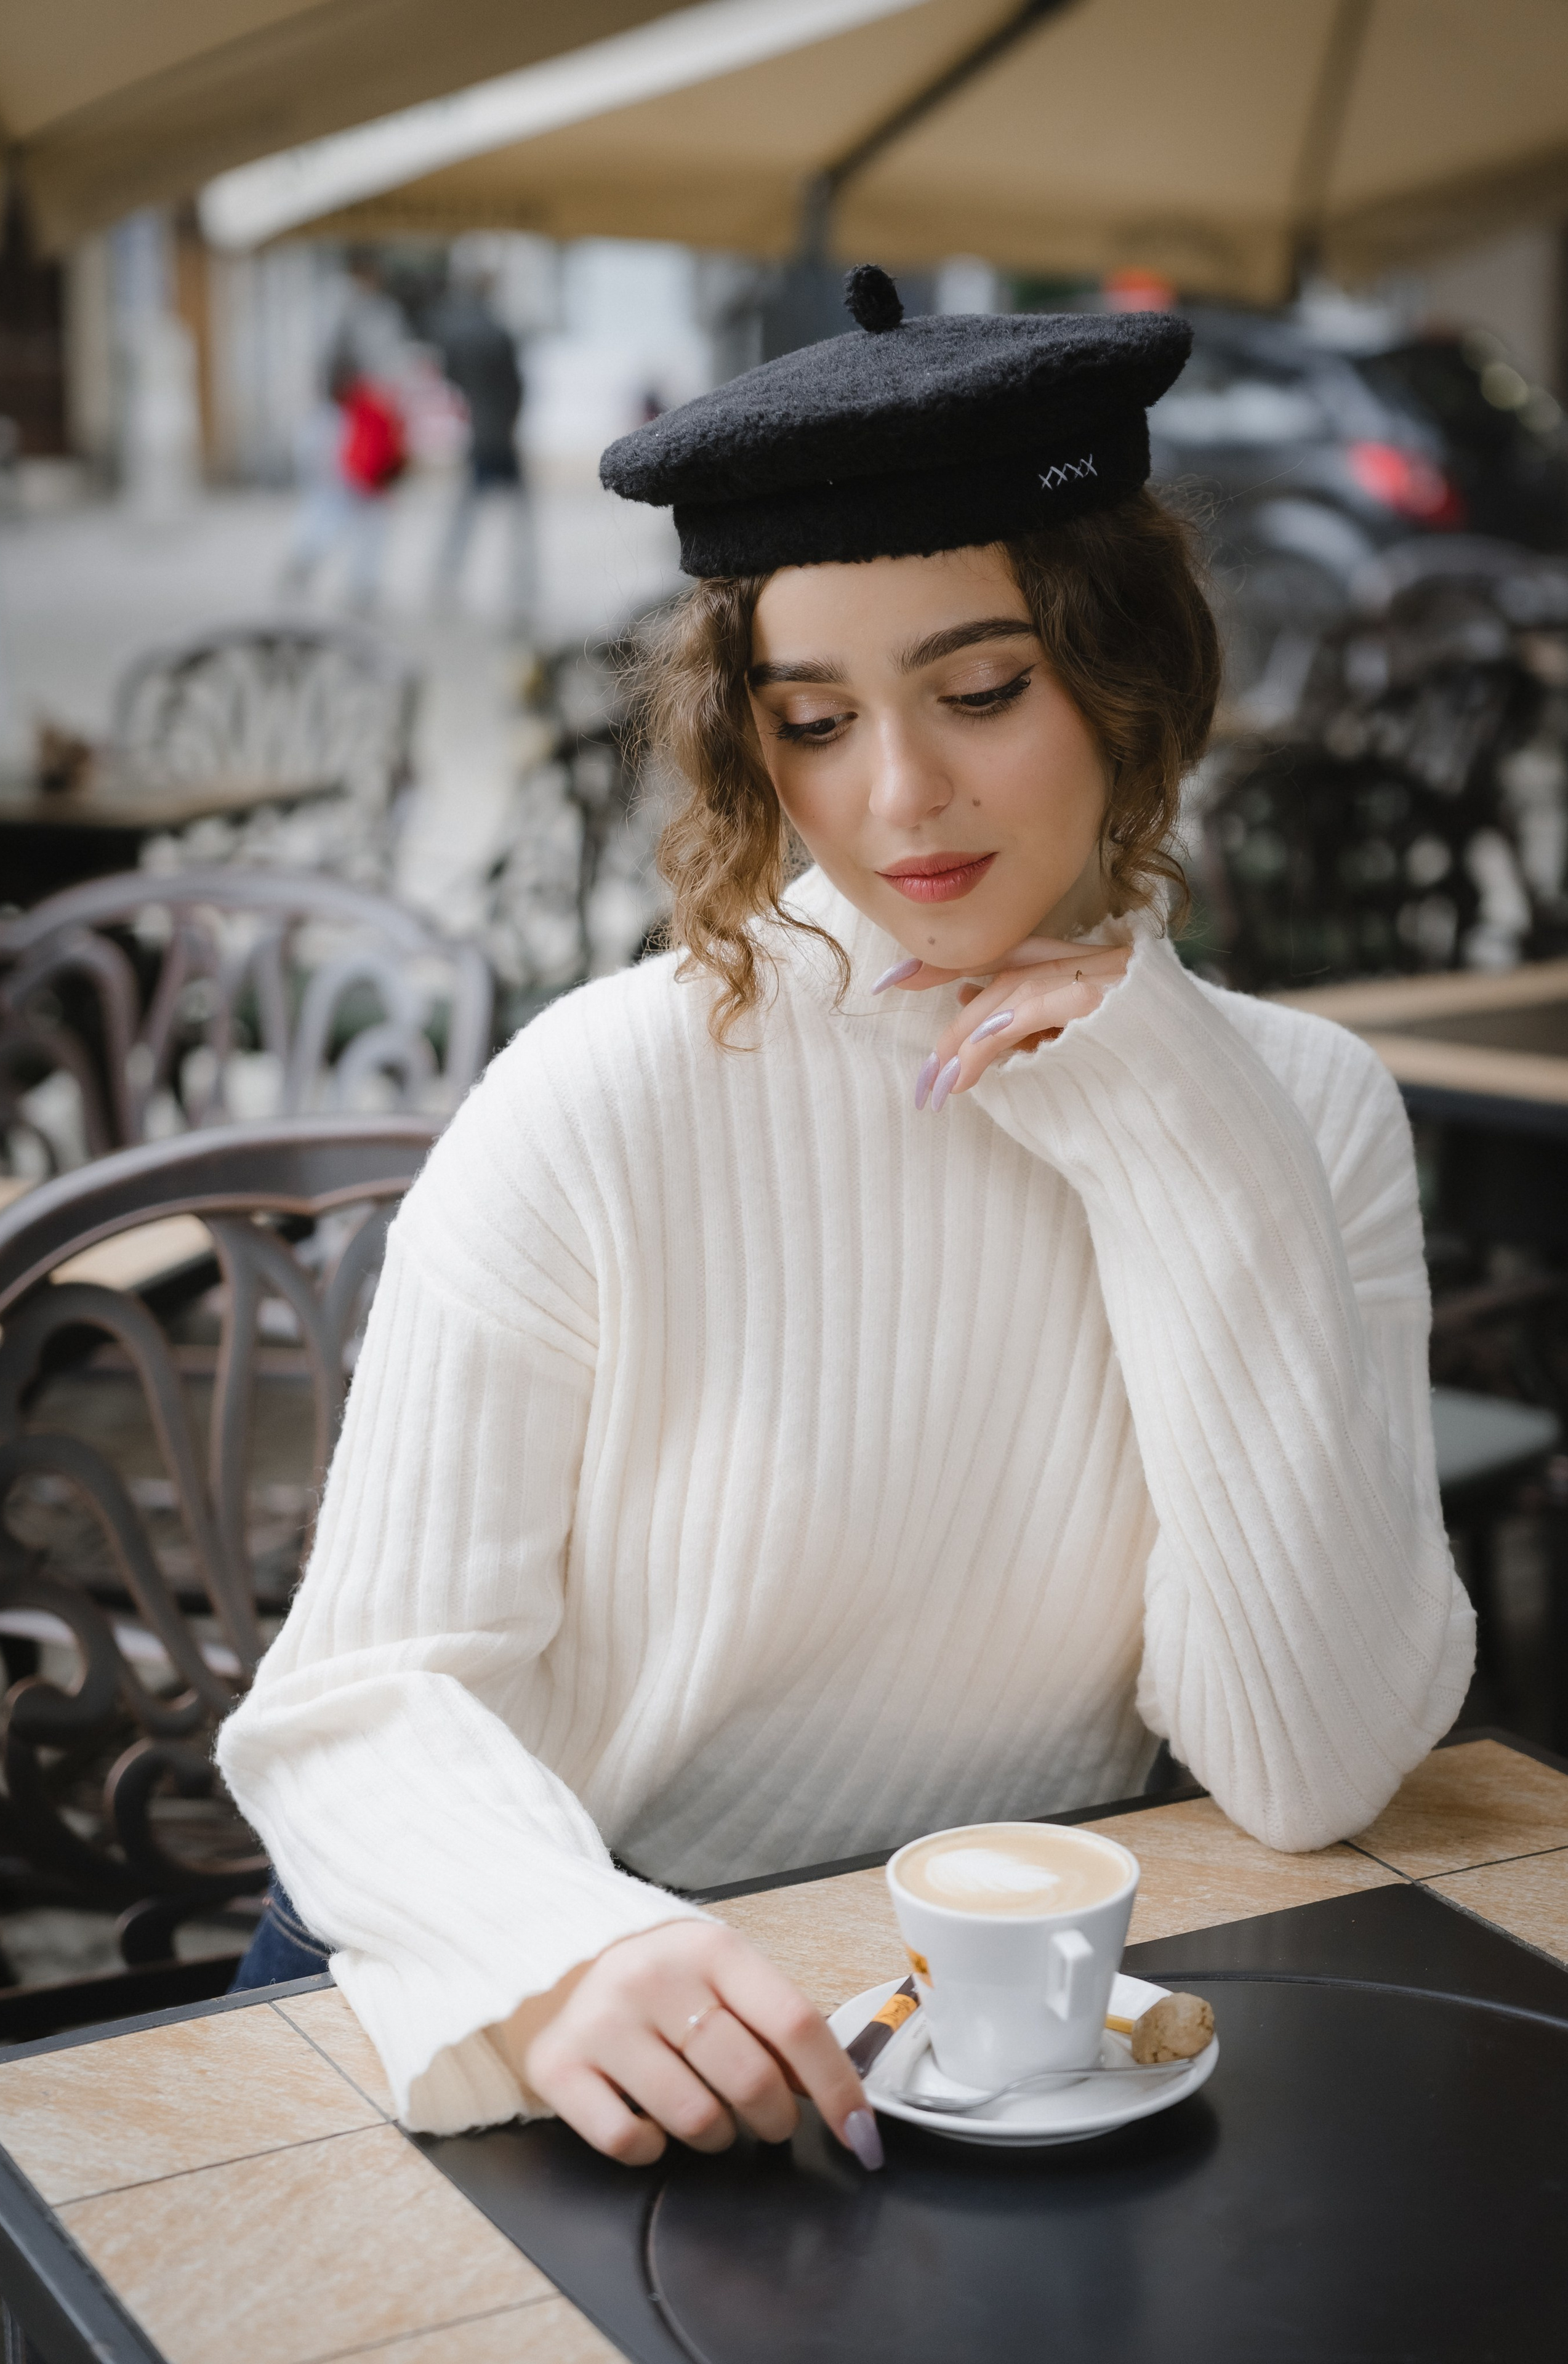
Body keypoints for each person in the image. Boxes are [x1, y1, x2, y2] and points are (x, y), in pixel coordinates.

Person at [221, 267, 1473, 2174]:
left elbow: (1306, 1768)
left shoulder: (1302, 1112)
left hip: (978, 2014)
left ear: (1128, 674)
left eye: (982, 690)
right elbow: (358, 1701)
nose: (900, 797)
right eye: (813, 719)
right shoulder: (605, 1090)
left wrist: (1184, 1128)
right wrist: (564, 1950)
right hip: (530, 1985)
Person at [430, 274, 533, 627]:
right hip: (501, 436)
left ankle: (446, 578)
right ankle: (522, 588)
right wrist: (510, 425)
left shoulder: (456, 334)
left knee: (465, 515)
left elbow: (450, 377)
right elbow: (518, 387)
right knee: (518, 519)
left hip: (479, 434)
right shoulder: (499, 334)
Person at [279, 352, 406, 613]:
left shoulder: (354, 409)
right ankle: (318, 571)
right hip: (355, 482)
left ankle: (360, 586)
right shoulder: (338, 415)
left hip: (361, 482)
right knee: (333, 528)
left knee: (360, 533)